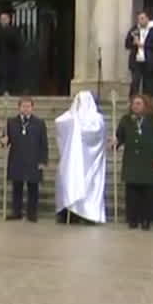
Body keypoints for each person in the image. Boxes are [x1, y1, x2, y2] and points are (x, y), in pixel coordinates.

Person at [54, 91, 107, 225]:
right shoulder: (70, 117)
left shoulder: (97, 119)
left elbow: (95, 134)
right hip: (72, 160)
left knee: (89, 187)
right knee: (70, 183)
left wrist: (77, 125)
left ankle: (88, 215)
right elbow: (59, 122)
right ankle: (69, 213)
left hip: (90, 162)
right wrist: (74, 122)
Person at [116, 95, 153, 230]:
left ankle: (146, 219)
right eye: (134, 103)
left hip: (149, 161)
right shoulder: (126, 120)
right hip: (132, 161)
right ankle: (132, 219)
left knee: (148, 193)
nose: (135, 106)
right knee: (132, 193)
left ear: (145, 105)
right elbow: (120, 136)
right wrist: (116, 142)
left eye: (138, 103)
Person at [4, 97, 48, 222]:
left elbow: (43, 143)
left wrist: (43, 160)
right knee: (16, 187)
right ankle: (16, 212)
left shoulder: (39, 123)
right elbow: (6, 140)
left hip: (33, 159)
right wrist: (3, 141)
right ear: (19, 107)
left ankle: (32, 213)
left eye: (28, 106)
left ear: (32, 108)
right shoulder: (11, 122)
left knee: (33, 187)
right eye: (23, 106)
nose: (26, 109)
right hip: (17, 158)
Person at [125, 11, 153, 96]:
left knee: (149, 83)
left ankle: (148, 100)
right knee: (135, 81)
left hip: (149, 60)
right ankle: (133, 99)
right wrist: (133, 43)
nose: (140, 21)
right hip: (136, 60)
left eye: (142, 18)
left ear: (147, 19)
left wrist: (144, 45)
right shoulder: (134, 30)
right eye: (138, 19)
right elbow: (127, 44)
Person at [0, 12, 23, 96]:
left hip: (10, 57)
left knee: (10, 75)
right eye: (2, 19)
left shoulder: (14, 30)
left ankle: (9, 91)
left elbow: (19, 43)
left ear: (9, 20)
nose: (3, 20)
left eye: (5, 19)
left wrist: (9, 35)